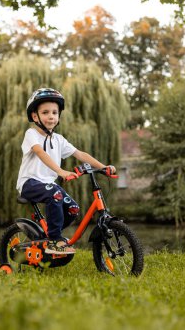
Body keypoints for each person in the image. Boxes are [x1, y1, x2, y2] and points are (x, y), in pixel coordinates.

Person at [16, 88, 116, 255]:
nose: (51, 116)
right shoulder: (31, 134)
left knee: (73, 209)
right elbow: (40, 152)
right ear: (35, 117)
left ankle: (48, 236)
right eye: (45, 112)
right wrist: (61, 171)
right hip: (29, 183)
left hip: (48, 184)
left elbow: (80, 154)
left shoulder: (58, 139)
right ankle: (55, 240)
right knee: (55, 193)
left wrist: (103, 166)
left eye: (55, 112)